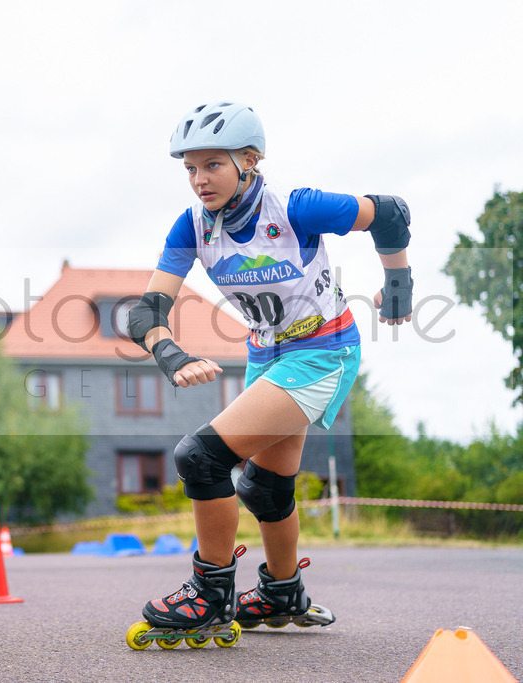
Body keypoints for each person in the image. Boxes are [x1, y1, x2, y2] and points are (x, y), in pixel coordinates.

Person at [127, 102, 412, 634]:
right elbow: (145, 311)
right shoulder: (192, 226)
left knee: (202, 458)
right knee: (263, 488)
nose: (198, 180)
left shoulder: (296, 208)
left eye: (212, 164)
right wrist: (171, 353)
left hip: (324, 352)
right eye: (189, 168)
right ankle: (283, 592)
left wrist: (399, 283)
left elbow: (391, 212)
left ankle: (211, 592)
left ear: (249, 160)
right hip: (267, 355)